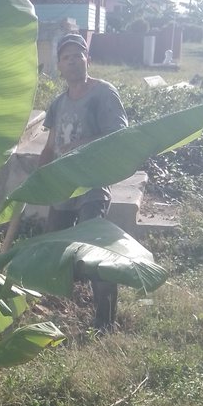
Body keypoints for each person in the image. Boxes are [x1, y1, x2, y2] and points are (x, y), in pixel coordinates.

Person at [39, 32, 129, 332]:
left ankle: (106, 321)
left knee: (96, 252)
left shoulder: (103, 93)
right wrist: (39, 179)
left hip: (92, 184)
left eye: (79, 55)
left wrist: (83, 143)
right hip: (64, 186)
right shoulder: (58, 104)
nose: (74, 61)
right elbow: (51, 147)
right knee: (53, 244)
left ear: (87, 59)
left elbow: (119, 135)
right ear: (59, 66)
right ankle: (58, 305)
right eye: (67, 57)